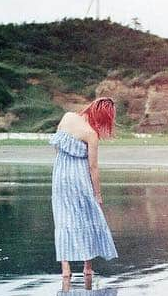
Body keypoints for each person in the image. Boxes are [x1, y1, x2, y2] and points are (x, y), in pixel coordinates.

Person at [49, 98, 119, 279]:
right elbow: (93, 168)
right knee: (87, 217)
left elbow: (57, 146)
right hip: (79, 179)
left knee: (63, 220)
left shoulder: (67, 117)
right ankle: (87, 267)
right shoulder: (91, 134)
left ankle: (66, 270)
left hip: (60, 177)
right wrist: (98, 194)